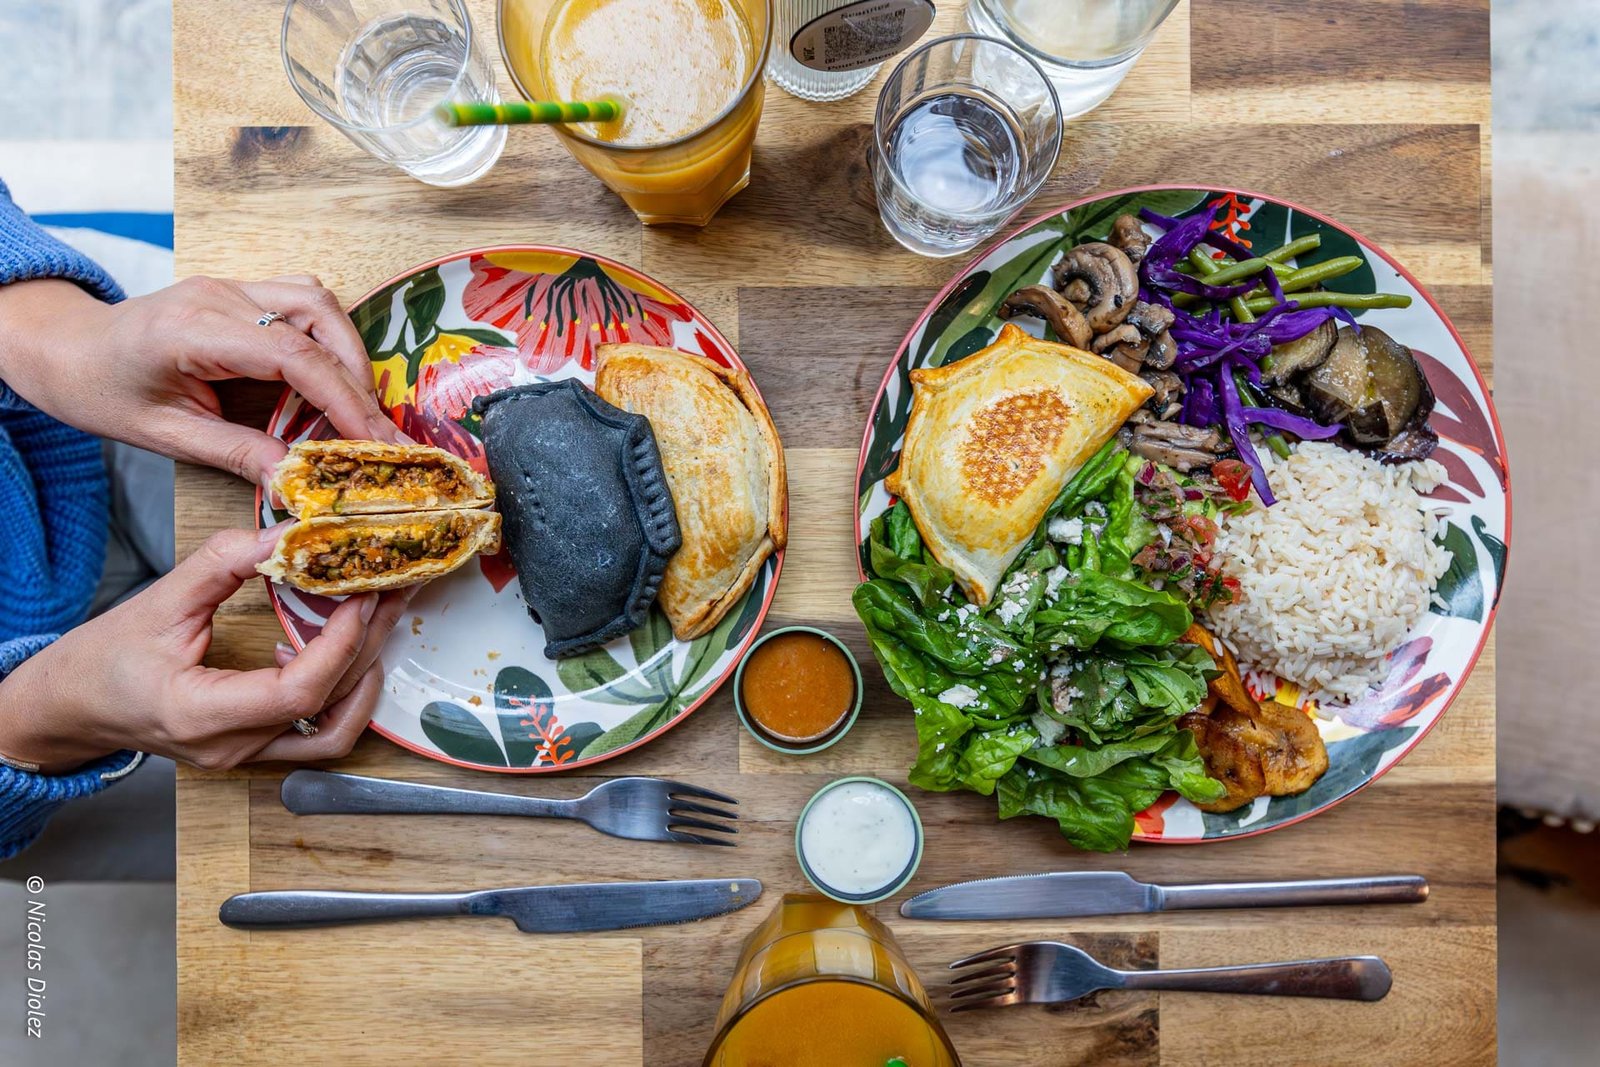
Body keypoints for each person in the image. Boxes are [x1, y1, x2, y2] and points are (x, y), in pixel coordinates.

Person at [0, 177, 412, 857]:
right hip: (42, 746)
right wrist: (37, 722)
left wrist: (39, 329)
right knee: (248, 826)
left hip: (54, 399)